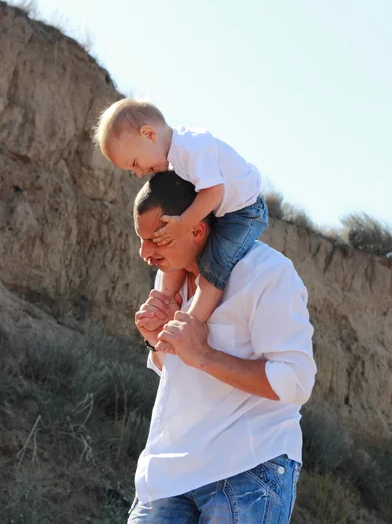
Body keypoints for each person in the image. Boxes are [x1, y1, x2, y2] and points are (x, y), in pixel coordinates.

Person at [111, 171, 317, 524]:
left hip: (249, 467)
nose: (146, 253)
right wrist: (158, 342)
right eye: (142, 238)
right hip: (172, 471)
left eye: (157, 239)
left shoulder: (268, 273)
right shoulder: (170, 274)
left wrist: (202, 353)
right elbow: (180, 373)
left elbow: (296, 381)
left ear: (197, 229)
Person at [93, 99, 268, 351]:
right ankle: (164, 301)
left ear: (149, 134)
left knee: (214, 264)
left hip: (244, 211)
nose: (139, 173)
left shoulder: (190, 149)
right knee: (175, 256)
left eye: (133, 163)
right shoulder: (174, 156)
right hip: (220, 207)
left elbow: (214, 193)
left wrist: (183, 224)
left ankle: (190, 322)